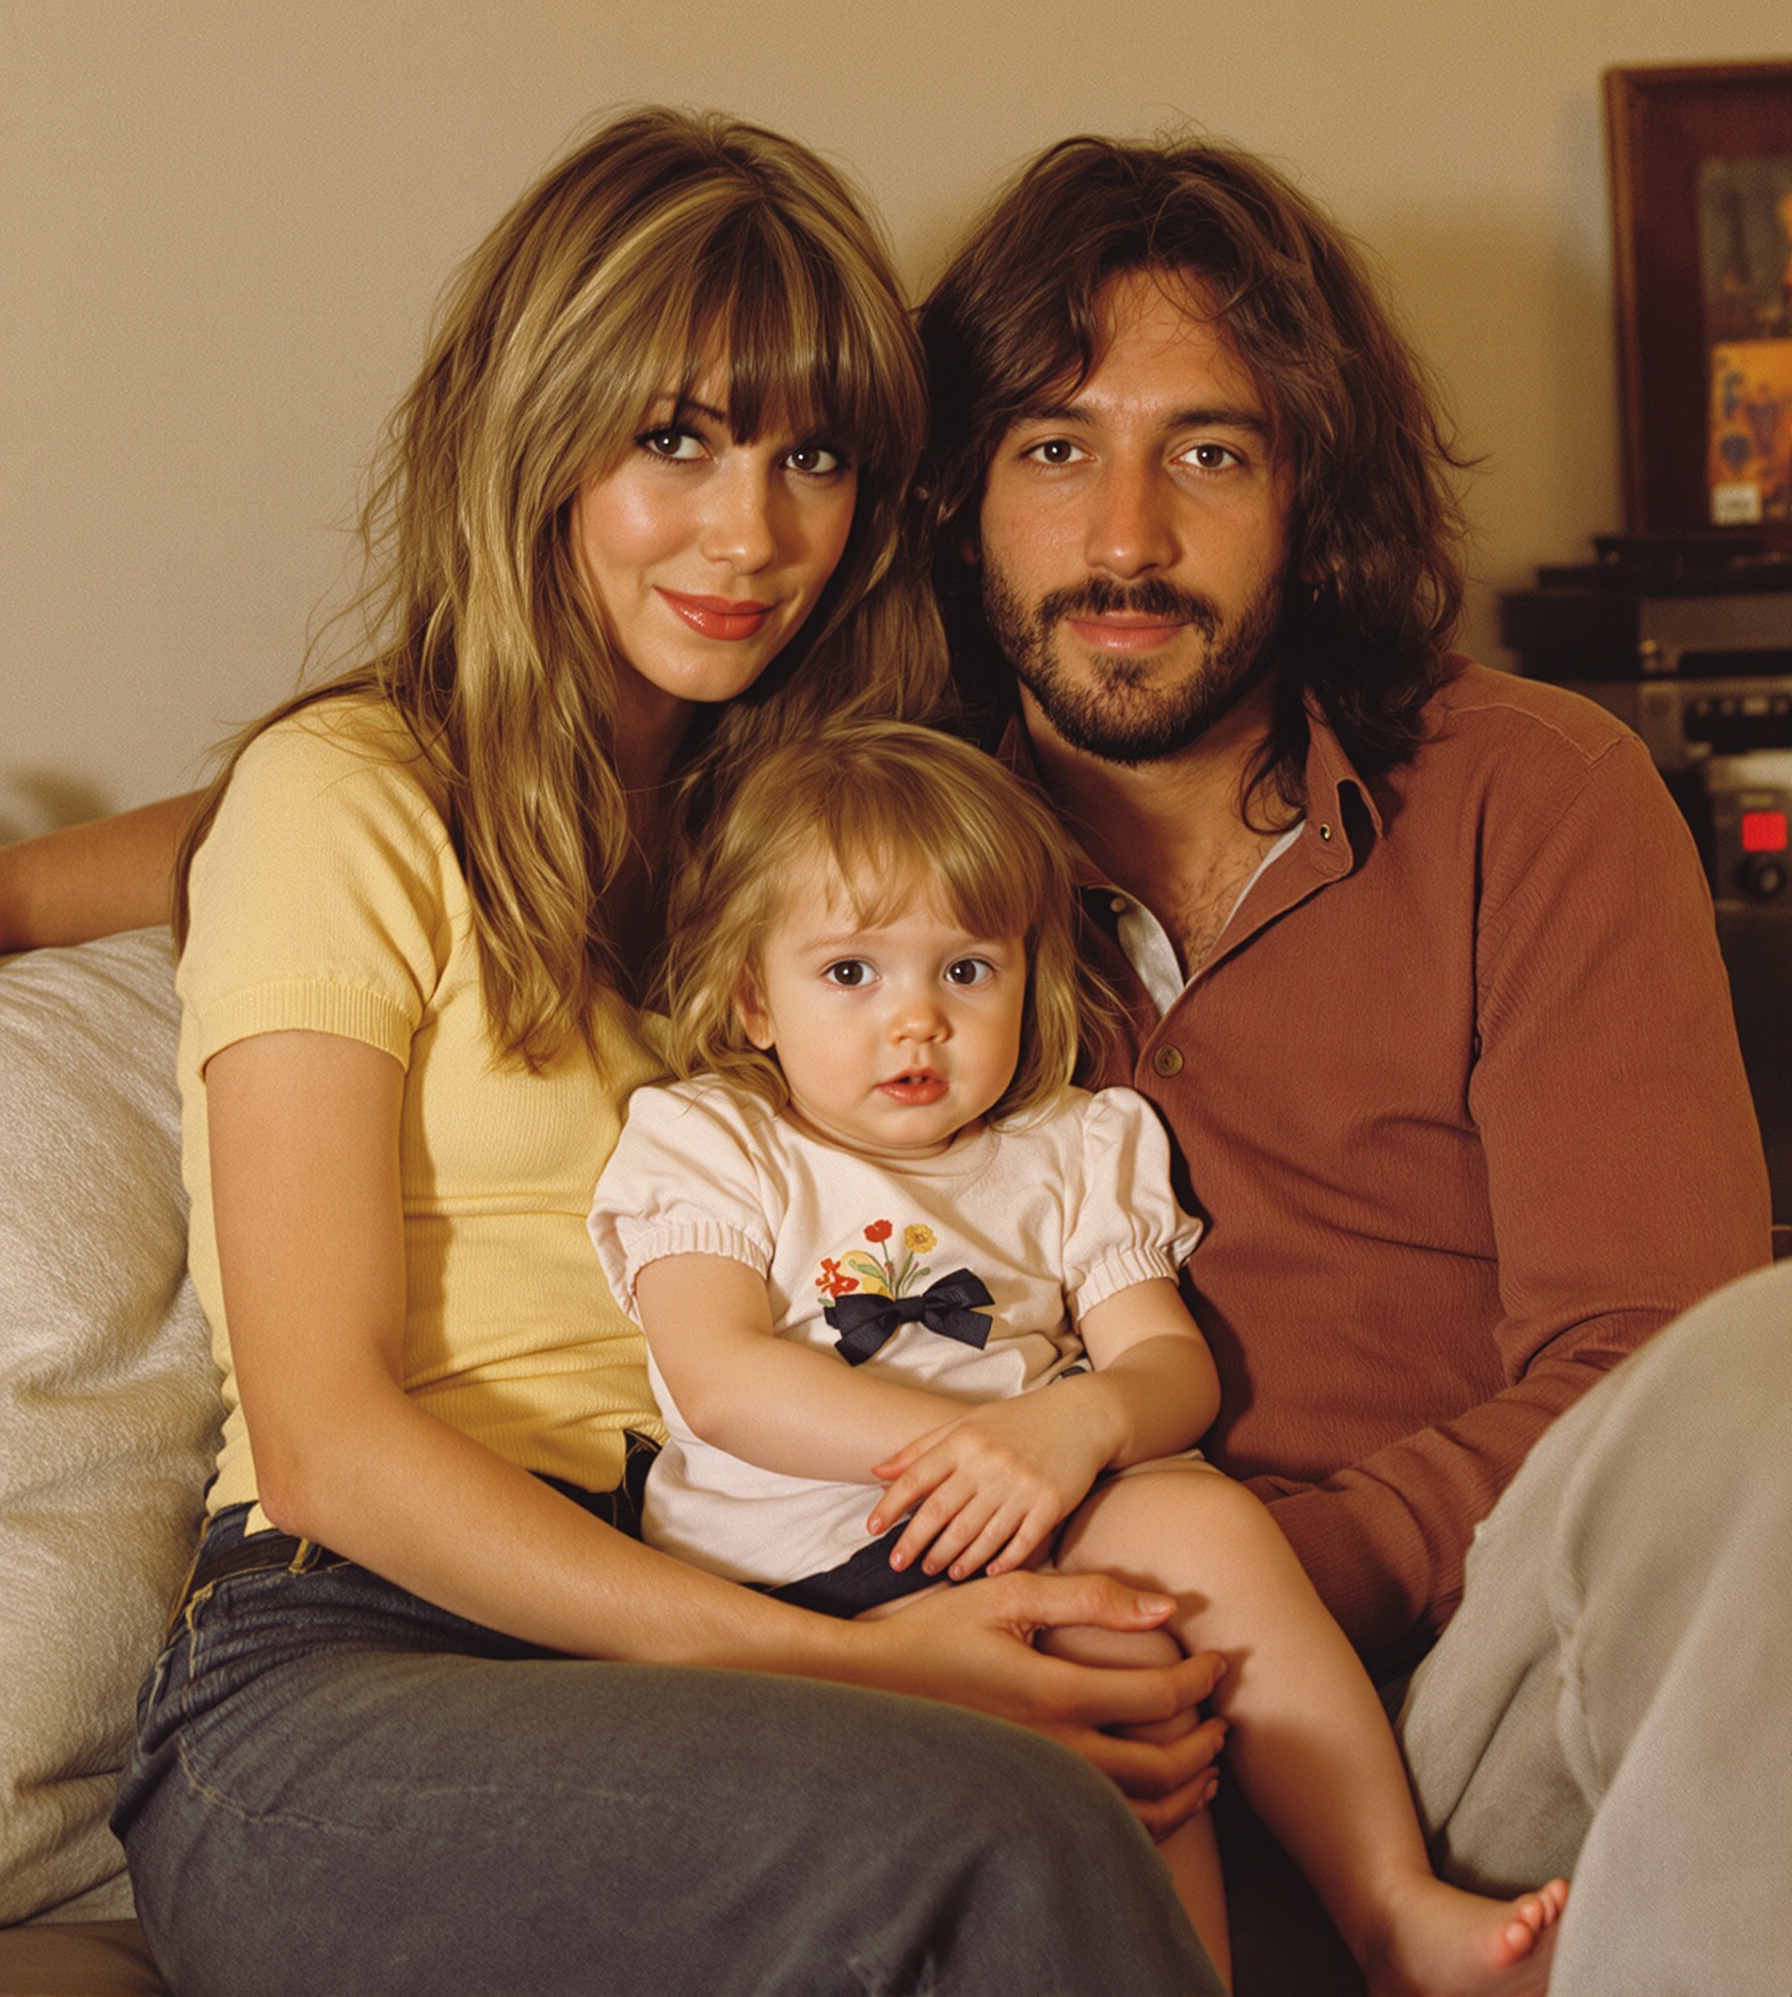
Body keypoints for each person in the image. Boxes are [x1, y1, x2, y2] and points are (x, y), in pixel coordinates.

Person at [92, 109, 1232, 1997]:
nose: (751, 532)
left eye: (814, 457)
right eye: (673, 440)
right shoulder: (344, 801)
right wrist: (861, 1663)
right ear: (537, 437)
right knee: (993, 1807)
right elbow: (329, 1447)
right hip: (346, 1682)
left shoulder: (805, 864)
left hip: (718, 1602)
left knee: (1116, 1691)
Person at [918, 131, 1780, 1987]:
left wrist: (1250, 1578)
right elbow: (456, 770)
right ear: (963, 493)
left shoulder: (1535, 800)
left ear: (1317, 489)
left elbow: (1652, 1366)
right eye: (1055, 447)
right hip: (1009, 1697)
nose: (1125, 535)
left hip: (1466, 1667)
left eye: (1207, 451)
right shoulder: (857, 853)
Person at [589, 716, 1568, 1997]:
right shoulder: (715, 1138)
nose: (915, 1024)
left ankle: (1382, 1905)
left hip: (1045, 1519)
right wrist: (960, 1451)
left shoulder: (1071, 1146)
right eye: (849, 974)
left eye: (965, 971)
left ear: (1027, 976)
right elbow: (718, 1378)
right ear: (749, 997)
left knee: (1177, 1585)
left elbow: (1169, 1371)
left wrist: (1069, 1432)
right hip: (796, 1573)